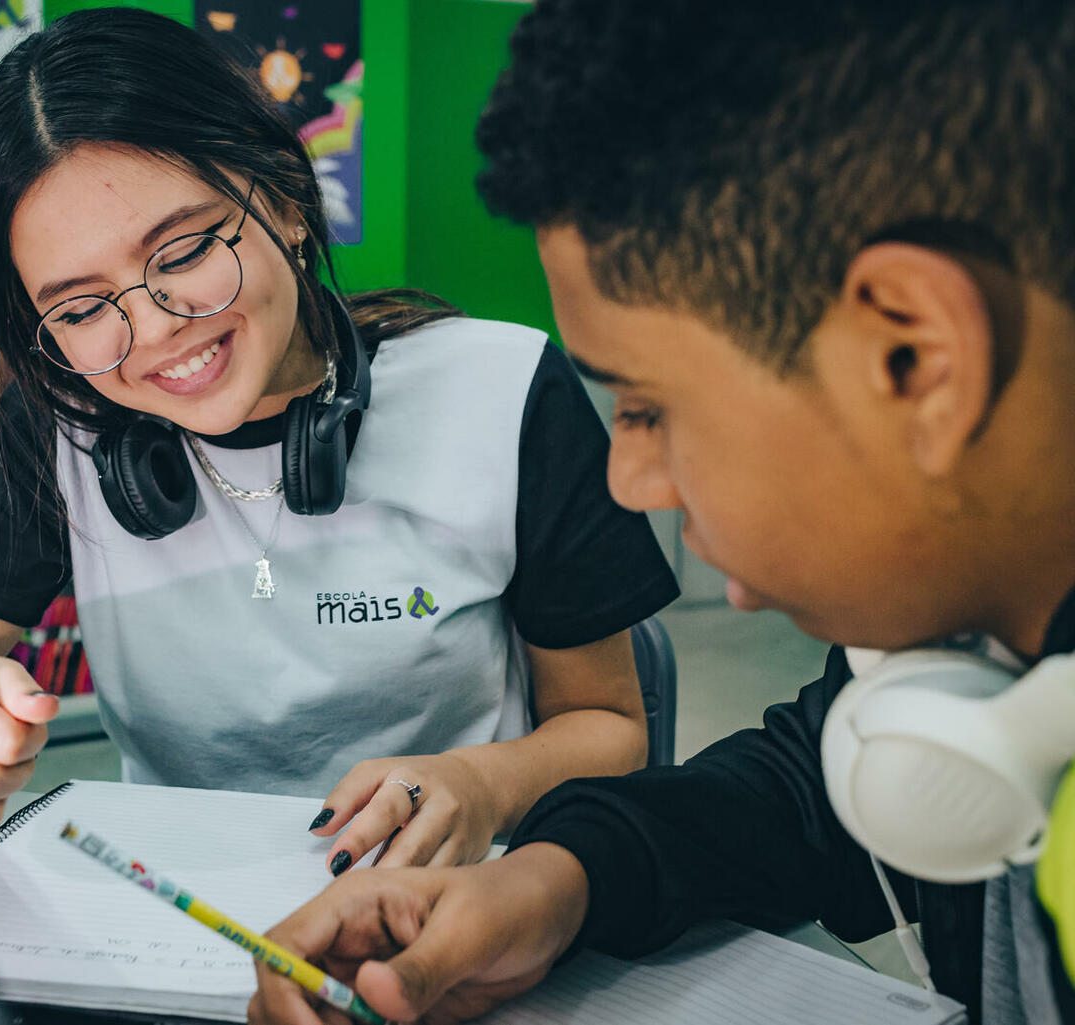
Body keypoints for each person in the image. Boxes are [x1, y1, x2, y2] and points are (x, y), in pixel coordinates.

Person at [248, 2, 1075, 1024]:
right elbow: (802, 791)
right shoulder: (973, 633)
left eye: (645, 406)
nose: (632, 479)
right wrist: (549, 884)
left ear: (916, 356)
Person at [0, 5, 678, 875]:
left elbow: (613, 730)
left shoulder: (503, 391)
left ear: (286, 200)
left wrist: (479, 784)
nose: (154, 331)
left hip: (455, 914)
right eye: (82, 307)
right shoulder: (58, 427)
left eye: (180, 253)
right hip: (180, 921)